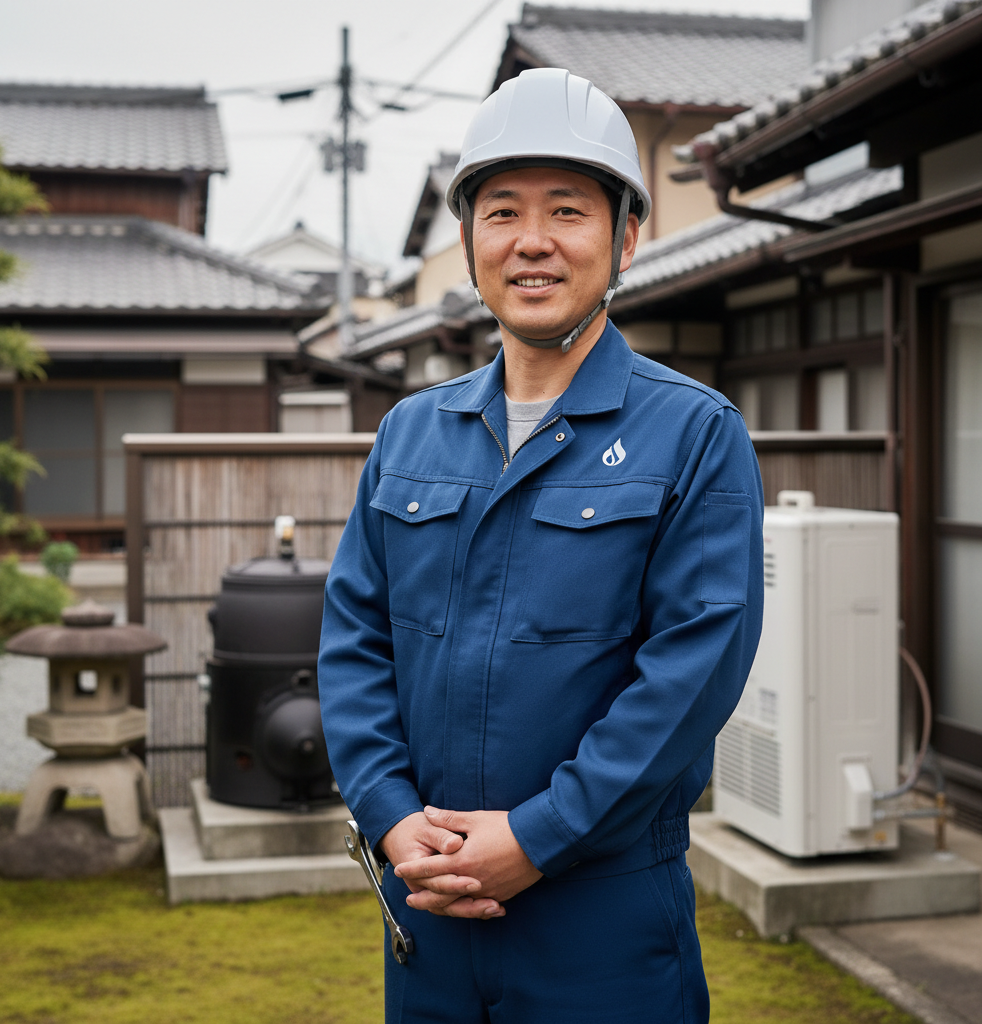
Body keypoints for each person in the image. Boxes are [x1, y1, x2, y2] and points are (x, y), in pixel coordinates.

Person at [318, 67, 764, 1024]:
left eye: (567, 210)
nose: (532, 242)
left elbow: (691, 674)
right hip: (428, 906)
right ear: (471, 239)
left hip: (602, 919)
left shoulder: (692, 433)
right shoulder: (411, 433)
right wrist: (392, 819)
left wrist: (539, 835)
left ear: (626, 235)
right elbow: (354, 643)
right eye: (502, 211)